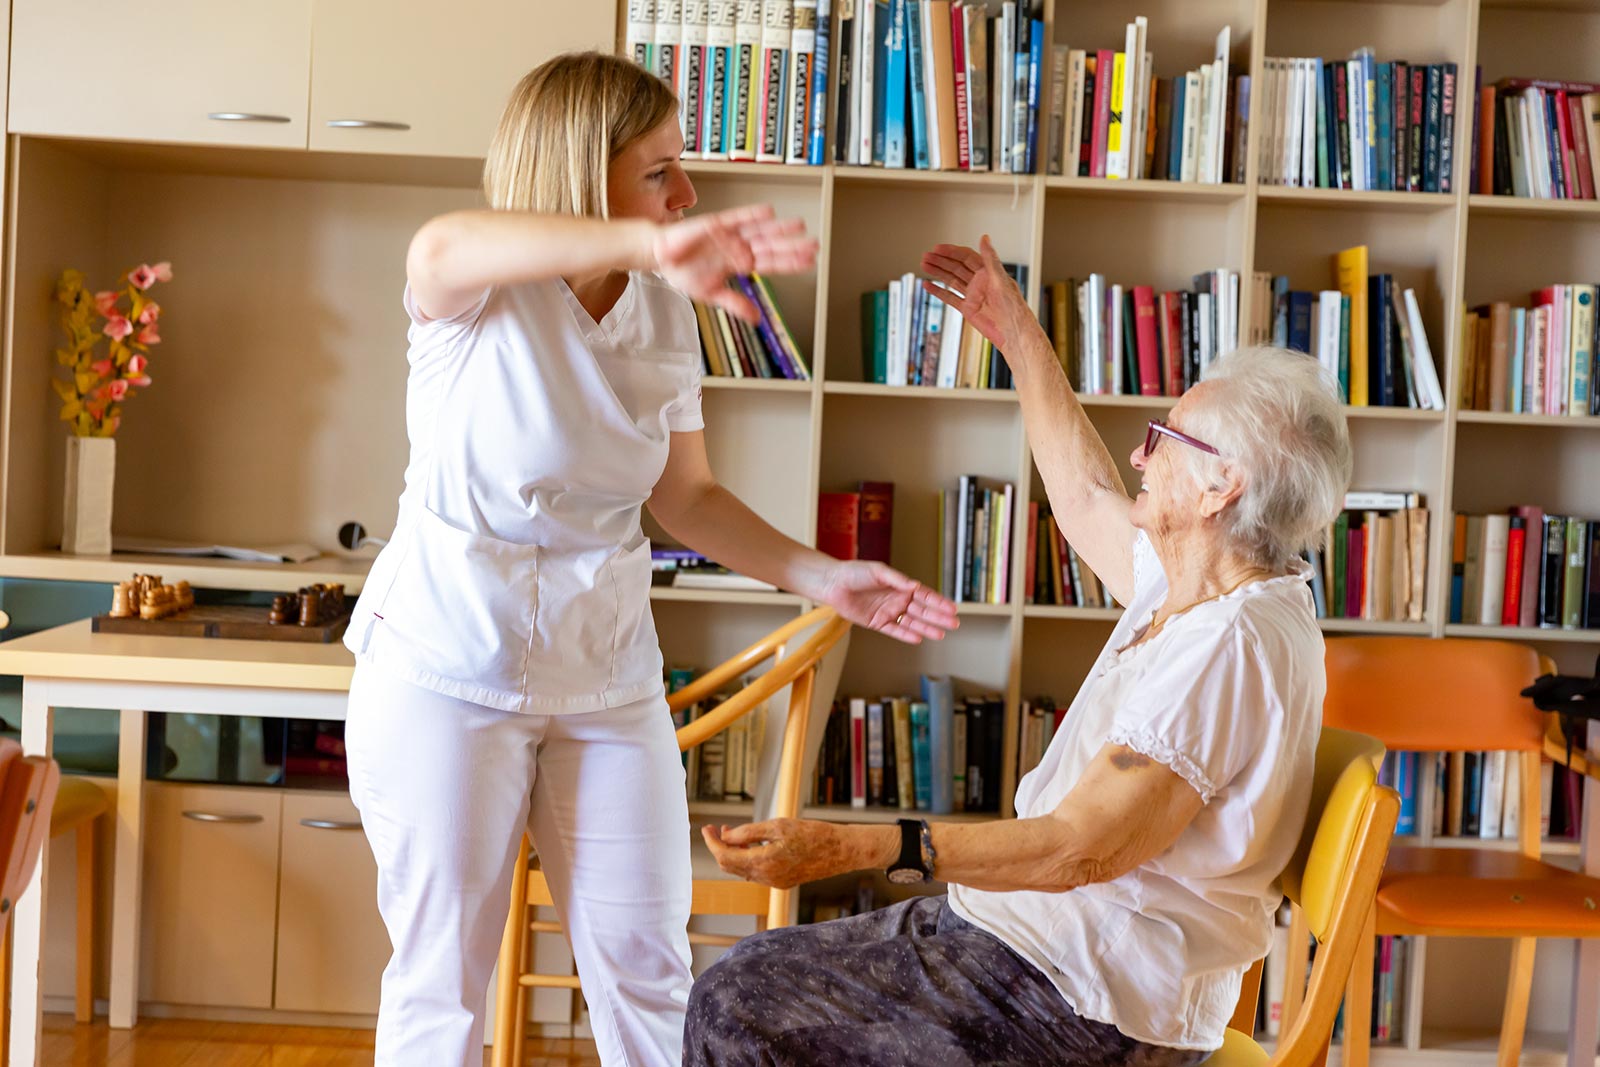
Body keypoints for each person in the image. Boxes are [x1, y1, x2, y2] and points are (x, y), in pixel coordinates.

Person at [340, 52, 959, 1067]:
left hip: (606, 673)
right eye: (660, 170)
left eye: (684, 170)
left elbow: (685, 495)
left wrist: (822, 574)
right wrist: (658, 239)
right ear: (588, 174)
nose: (688, 193)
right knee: (441, 977)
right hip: (446, 666)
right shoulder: (474, 292)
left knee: (648, 962)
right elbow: (442, 241)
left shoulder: (665, 308)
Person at [687, 235, 1353, 1067]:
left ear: (1224, 488)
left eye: (1166, 438)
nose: (1142, 452)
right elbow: (1083, 496)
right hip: (1033, 943)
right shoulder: (1205, 579)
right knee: (746, 981)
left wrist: (858, 846)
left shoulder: (1230, 641)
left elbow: (1081, 846)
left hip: (1084, 1000)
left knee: (737, 1006)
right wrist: (1020, 339)